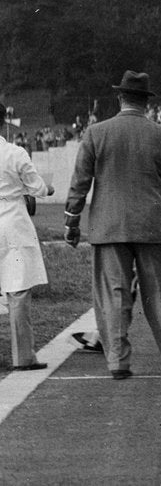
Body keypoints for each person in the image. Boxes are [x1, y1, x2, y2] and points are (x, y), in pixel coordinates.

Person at [64, 70, 161, 380]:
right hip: (151, 225)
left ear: (120, 98)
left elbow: (80, 182)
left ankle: (118, 361)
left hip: (108, 226)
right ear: (146, 101)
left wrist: (71, 222)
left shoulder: (96, 133)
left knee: (114, 293)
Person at [0, 105, 54, 371]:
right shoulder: (14, 153)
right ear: (4, 124)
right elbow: (38, 187)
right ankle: (23, 356)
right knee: (17, 289)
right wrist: (47, 187)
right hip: (11, 220)